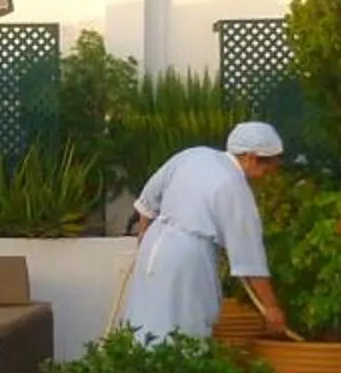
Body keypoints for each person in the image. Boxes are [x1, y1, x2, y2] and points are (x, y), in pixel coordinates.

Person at [120, 120, 289, 343]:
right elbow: (249, 258)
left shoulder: (194, 155)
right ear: (251, 158)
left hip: (154, 244)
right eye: (267, 167)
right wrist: (272, 307)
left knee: (146, 320)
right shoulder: (234, 186)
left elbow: (148, 200)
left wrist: (144, 240)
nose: (268, 175)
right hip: (188, 257)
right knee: (184, 325)